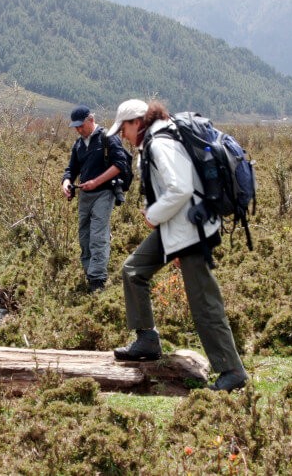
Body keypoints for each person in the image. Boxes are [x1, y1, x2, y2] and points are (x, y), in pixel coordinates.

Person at [106, 98, 248, 392]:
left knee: (204, 302)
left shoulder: (161, 143)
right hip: (178, 228)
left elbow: (180, 188)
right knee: (134, 270)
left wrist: (154, 216)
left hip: (191, 231)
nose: (123, 136)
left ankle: (232, 370)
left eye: (124, 129)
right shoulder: (154, 142)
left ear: (137, 123)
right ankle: (147, 340)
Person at [62, 105, 129, 292]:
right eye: (75, 126)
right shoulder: (78, 144)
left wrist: (96, 181)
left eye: (81, 125)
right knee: (84, 236)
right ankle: (89, 272)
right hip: (85, 195)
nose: (78, 129)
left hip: (105, 193)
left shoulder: (108, 138)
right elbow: (71, 169)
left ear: (91, 120)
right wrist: (66, 183)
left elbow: (120, 164)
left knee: (98, 236)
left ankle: (97, 281)